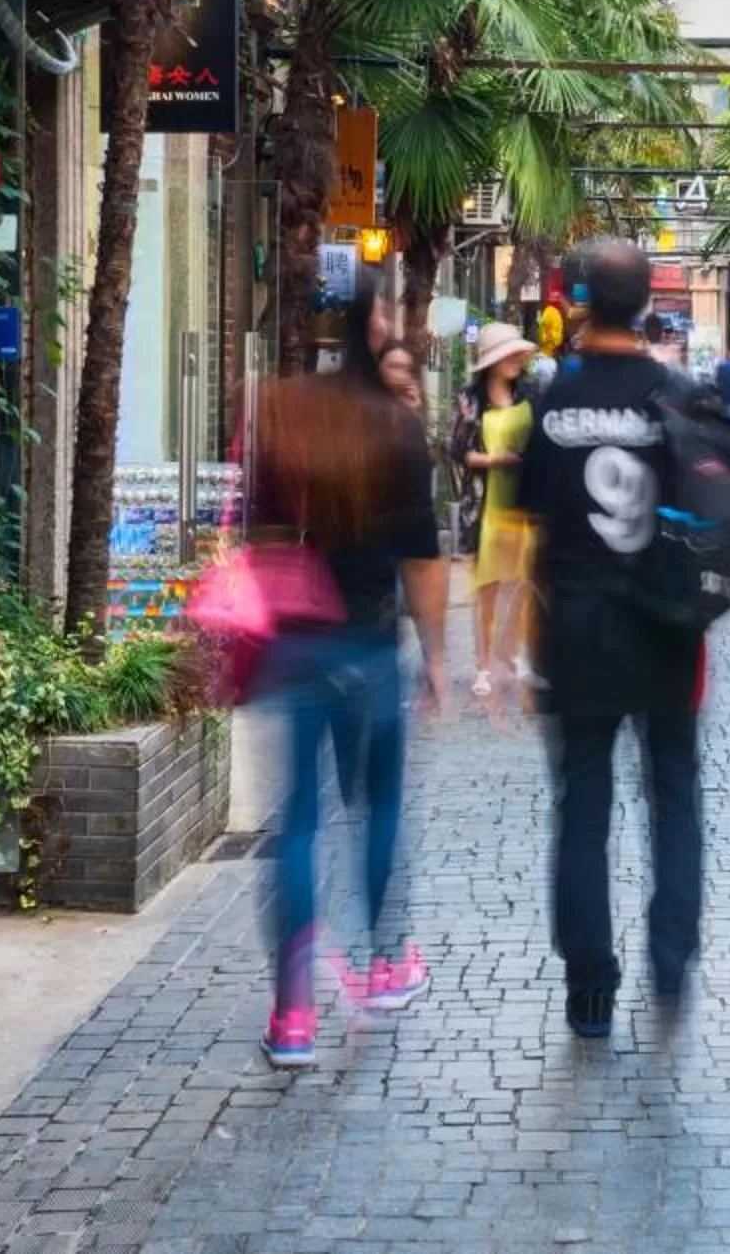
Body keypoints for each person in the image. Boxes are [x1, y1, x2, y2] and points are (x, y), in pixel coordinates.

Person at [251, 266, 447, 1069]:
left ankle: (292, 1017)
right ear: (373, 322)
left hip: (294, 645)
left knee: (297, 824)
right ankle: (381, 968)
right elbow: (424, 560)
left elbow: (256, 533)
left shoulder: (285, 414)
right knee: (381, 812)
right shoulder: (396, 430)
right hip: (369, 646)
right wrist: (436, 657)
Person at [518, 237, 705, 1036]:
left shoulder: (553, 402)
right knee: (672, 798)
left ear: (583, 302)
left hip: (578, 631)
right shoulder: (678, 397)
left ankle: (590, 986)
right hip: (665, 630)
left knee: (583, 805)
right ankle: (670, 960)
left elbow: (531, 532)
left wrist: (526, 645)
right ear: (647, 300)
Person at [461, 320, 539, 714]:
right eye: (507, 355)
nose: (515, 361)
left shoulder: (531, 394)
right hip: (486, 503)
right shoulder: (471, 400)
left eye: (517, 354)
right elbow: (459, 449)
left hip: (523, 502)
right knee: (486, 589)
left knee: (522, 584)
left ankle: (511, 654)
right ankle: (483, 665)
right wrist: (495, 460)